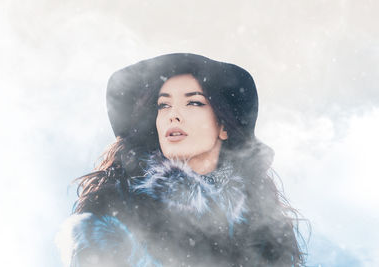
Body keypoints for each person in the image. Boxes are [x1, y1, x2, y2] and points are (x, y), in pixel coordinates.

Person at [56, 53, 305, 267]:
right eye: (163, 105)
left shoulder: (260, 220)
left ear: (224, 126)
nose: (173, 115)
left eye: (193, 102)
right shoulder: (116, 210)